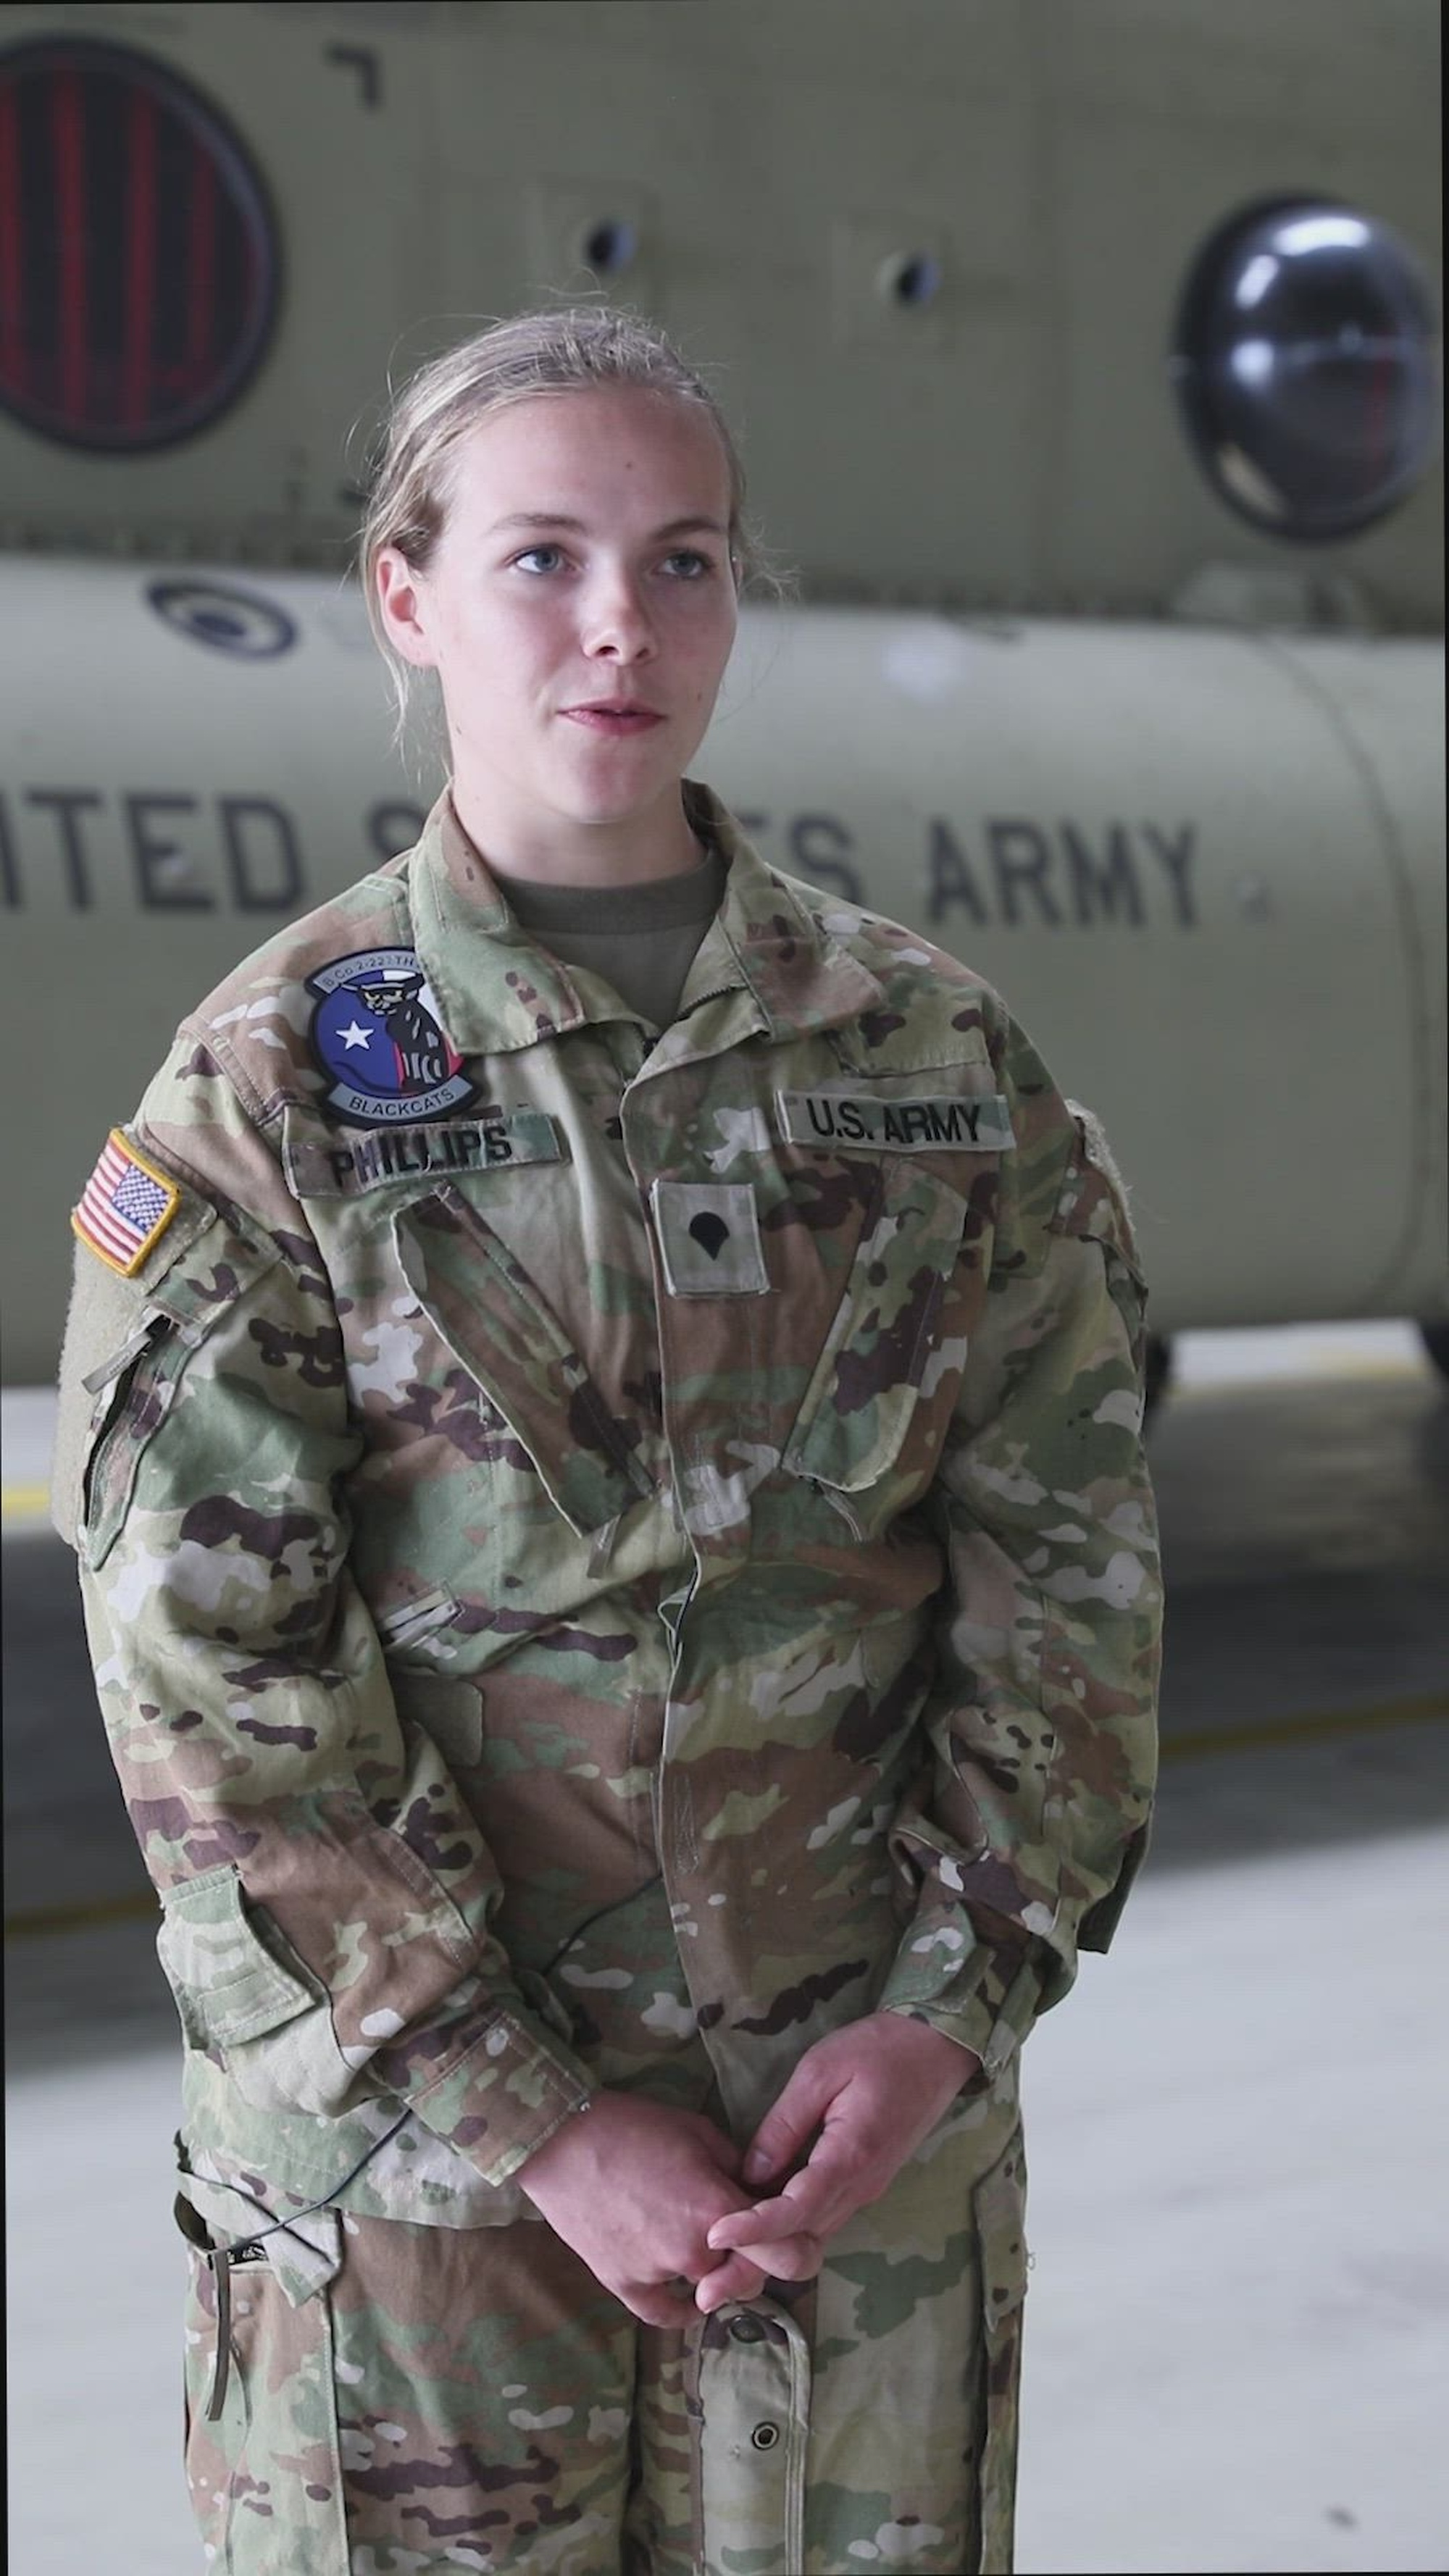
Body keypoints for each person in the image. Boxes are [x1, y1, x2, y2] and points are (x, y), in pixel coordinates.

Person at [52, 305, 1162, 2576]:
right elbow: (213, 1691)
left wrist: (954, 2007)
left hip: (843, 2165)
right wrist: (540, 2114)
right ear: (408, 595)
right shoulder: (269, 1094)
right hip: (428, 2227)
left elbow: (1071, 1565)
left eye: (682, 562)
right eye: (544, 555)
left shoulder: (938, 1062)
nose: (615, 626)